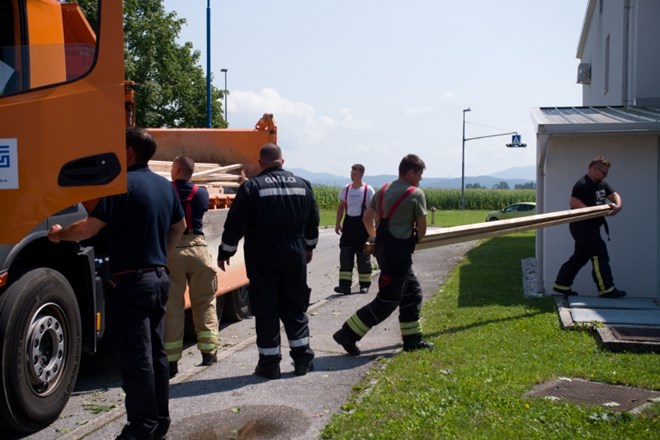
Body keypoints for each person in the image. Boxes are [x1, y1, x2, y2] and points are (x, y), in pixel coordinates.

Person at [48, 127, 186, 440]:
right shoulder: (166, 187)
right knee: (157, 354)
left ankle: (141, 426)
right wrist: (161, 256)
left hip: (130, 283)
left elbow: (87, 229)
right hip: (159, 279)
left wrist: (58, 234)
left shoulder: (121, 186)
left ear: (128, 153)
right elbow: (181, 226)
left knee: (136, 356)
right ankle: (159, 420)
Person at [217, 143, 320, 379]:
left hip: (262, 255)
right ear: (282, 161)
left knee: (266, 310)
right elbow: (312, 220)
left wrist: (226, 251)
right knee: (295, 307)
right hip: (295, 254)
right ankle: (303, 360)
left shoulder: (252, 187)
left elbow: (235, 223)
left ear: (261, 163)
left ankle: (270, 364)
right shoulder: (303, 185)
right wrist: (309, 247)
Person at [333, 154, 434, 356]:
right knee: (387, 301)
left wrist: (376, 237)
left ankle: (412, 340)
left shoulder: (383, 190)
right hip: (400, 254)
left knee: (412, 295)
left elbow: (366, 218)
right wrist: (412, 239)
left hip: (383, 250)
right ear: (411, 172)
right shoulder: (416, 194)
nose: (420, 179)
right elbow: (421, 231)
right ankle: (348, 333)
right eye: (420, 174)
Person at [164, 155, 219, 379]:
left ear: (176, 170)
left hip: (172, 250)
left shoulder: (166, 191)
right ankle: (209, 353)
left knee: (172, 308)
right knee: (205, 302)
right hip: (199, 250)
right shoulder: (202, 193)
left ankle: (171, 363)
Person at [553, 156, 626, 298]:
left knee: (580, 257)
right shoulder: (582, 184)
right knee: (600, 253)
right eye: (603, 172)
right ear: (593, 169)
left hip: (592, 227)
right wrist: (594, 212)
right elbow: (574, 202)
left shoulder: (601, 183)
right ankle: (606, 289)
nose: (606, 175)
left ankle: (562, 284)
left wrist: (618, 206)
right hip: (582, 227)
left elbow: (614, 194)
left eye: (606, 173)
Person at [334, 164, 375, 295]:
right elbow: (341, 207)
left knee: (363, 256)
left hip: (362, 226)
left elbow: (373, 211)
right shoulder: (346, 189)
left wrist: (372, 231)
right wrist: (337, 223)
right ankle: (344, 286)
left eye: (355, 173)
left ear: (361, 174)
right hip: (349, 225)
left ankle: (364, 285)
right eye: (351, 173)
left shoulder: (368, 190)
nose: (352, 175)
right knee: (345, 255)